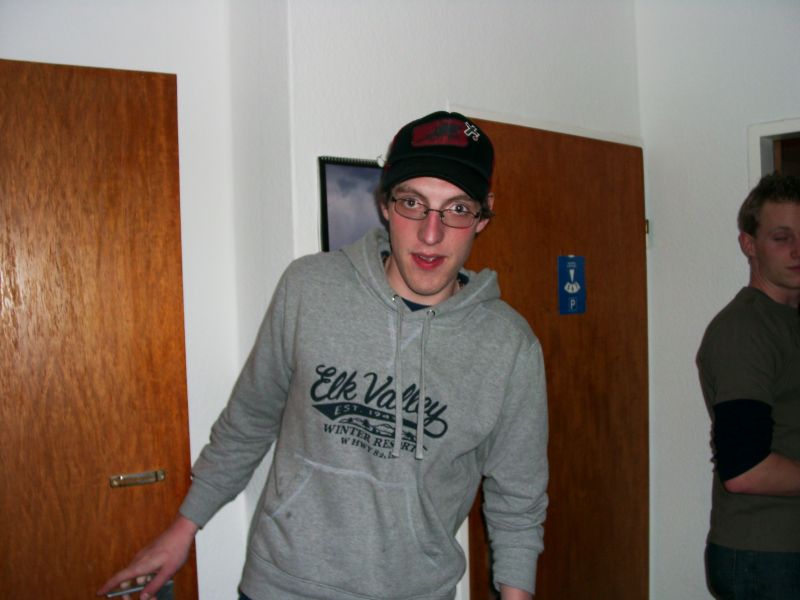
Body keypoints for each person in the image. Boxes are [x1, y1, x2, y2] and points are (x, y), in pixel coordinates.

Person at [99, 111, 549, 600]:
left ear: (483, 215)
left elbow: (518, 501)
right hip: (278, 587)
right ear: (385, 205)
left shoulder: (509, 347)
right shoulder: (309, 288)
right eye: (412, 203)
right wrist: (184, 527)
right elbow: (249, 419)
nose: (430, 234)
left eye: (456, 208)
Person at [696, 172, 800, 600]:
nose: (797, 250)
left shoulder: (785, 320)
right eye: (781, 237)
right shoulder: (745, 329)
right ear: (748, 244)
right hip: (764, 558)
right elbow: (744, 469)